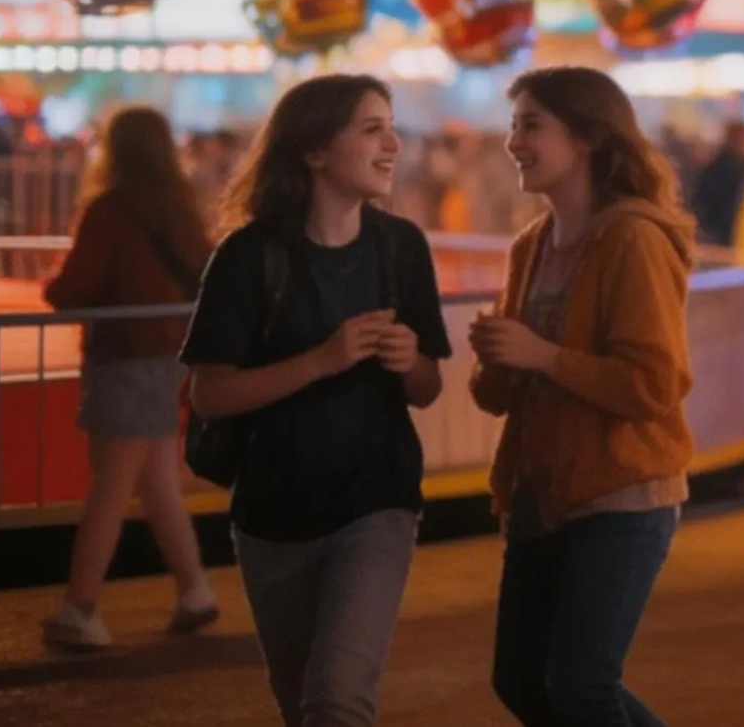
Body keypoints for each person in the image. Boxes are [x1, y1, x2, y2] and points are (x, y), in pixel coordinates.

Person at [182, 75, 450, 727]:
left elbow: (427, 387)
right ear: (313, 151)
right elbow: (209, 393)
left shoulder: (400, 247)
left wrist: (409, 358)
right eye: (370, 128)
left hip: (376, 503)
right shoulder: (250, 257)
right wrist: (318, 362)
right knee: (302, 703)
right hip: (274, 514)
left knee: (337, 700)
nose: (392, 143)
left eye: (390, 126)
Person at [470, 67, 694, 727]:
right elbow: (499, 395)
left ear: (590, 137)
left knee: (580, 685)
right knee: (520, 678)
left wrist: (540, 354)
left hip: (621, 492)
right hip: (542, 491)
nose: (514, 142)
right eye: (514, 125)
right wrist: (498, 357)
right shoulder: (531, 246)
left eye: (531, 125)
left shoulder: (632, 238)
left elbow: (655, 384)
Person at [40, 107, 220, 650]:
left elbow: (75, 286)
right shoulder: (182, 211)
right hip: (170, 357)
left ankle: (81, 606)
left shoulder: (110, 211)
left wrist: (57, 291)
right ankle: (194, 591)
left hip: (125, 358)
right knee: (157, 480)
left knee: (111, 486)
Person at [686, 120, 744, 248]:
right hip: (728, 233)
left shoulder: (714, 164)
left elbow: (700, 198)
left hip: (710, 231)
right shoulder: (741, 169)